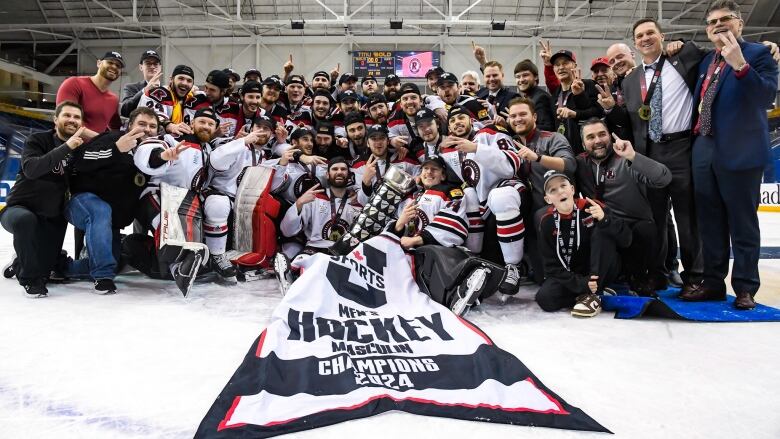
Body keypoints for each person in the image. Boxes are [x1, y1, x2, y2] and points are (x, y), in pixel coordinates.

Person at [682, 0, 779, 310]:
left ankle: (746, 288)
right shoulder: (705, 62)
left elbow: (765, 96)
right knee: (709, 224)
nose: (718, 25)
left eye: (725, 19)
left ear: (740, 24)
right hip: (704, 148)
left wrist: (740, 65)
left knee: (743, 223)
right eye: (712, 22)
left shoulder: (759, 54)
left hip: (740, 152)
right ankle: (712, 283)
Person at [619, 18, 705, 294]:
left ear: (662, 36)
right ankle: (657, 273)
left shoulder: (681, 58)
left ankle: (694, 275)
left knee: (686, 217)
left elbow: (718, 55)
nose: (645, 38)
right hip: (649, 152)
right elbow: (633, 120)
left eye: (650, 33)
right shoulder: (630, 80)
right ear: (635, 43)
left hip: (681, 148)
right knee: (654, 218)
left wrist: (764, 48)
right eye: (640, 35)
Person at [65, 107, 160, 294]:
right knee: (100, 211)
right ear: (130, 125)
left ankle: (52, 265)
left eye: (152, 126)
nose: (147, 129)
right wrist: (115, 149)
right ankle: (103, 277)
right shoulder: (111, 138)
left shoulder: (153, 155)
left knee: (113, 262)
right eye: (142, 124)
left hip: (110, 221)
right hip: (81, 202)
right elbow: (80, 159)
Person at [575, 118, 672, 295]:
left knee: (646, 229)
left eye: (602, 134)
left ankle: (640, 276)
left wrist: (634, 157)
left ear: (610, 137)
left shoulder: (626, 159)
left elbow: (664, 178)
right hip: (605, 227)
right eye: (591, 137)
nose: (597, 140)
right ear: (583, 144)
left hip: (633, 230)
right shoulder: (579, 164)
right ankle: (595, 283)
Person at [1, 101, 84, 297]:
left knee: (48, 269)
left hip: (52, 216)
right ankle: (30, 279)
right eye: (67, 115)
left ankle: (20, 261)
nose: (72, 120)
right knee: (25, 220)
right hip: (18, 209)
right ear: (56, 119)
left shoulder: (79, 150)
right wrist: (67, 147)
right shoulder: (37, 140)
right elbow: (32, 170)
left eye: (77, 117)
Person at [535, 170, 631, 317]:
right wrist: (581, 283)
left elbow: (626, 240)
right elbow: (551, 268)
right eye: (553, 190)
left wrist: (605, 219)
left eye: (563, 186)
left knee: (601, 230)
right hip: (575, 274)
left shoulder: (592, 207)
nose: (560, 191)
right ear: (548, 199)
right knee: (545, 299)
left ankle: (596, 293)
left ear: (572, 189)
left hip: (602, 268)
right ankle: (588, 293)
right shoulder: (547, 222)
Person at [505, 97, 576, 284]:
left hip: (553, 213)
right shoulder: (508, 144)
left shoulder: (552, 138)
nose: (518, 119)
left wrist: (537, 157)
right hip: (525, 212)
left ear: (534, 116)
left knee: (546, 281)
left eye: (522, 114)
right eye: (513, 116)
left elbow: (569, 165)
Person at [280, 157, 362, 255]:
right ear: (327, 175)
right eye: (335, 169)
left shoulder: (358, 203)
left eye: (343, 169)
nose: (339, 172)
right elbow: (287, 231)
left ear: (349, 175)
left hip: (344, 252)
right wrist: (299, 203)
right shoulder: (314, 198)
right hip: (314, 250)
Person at [390, 155, 469, 249]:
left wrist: (416, 240)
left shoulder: (451, 191)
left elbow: (454, 223)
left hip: (434, 253)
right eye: (425, 168)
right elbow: (400, 231)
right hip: (407, 252)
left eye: (434, 169)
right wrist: (400, 224)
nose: (429, 172)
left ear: (443, 175)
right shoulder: (413, 196)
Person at [56, 51, 123, 139]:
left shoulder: (113, 100)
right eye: (110, 62)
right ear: (99, 63)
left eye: (118, 66)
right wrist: (102, 140)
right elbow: (66, 120)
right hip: (69, 146)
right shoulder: (74, 83)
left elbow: (116, 127)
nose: (114, 66)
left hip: (95, 150)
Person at [548, 49, 603, 154]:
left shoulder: (589, 85)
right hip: (563, 151)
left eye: (565, 63)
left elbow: (598, 112)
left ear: (574, 65)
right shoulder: (555, 95)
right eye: (557, 65)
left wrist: (575, 114)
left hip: (588, 150)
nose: (561, 67)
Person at [513, 59, 556, 132]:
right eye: (518, 77)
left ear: (535, 77)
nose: (521, 80)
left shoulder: (541, 97)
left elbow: (548, 127)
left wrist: (518, 126)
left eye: (525, 75)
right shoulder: (528, 97)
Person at [120, 50, 163, 118]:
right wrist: (145, 90)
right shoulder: (131, 87)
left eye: (155, 64)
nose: (152, 67)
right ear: (141, 67)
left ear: (160, 67)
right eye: (148, 63)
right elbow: (124, 110)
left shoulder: (167, 90)